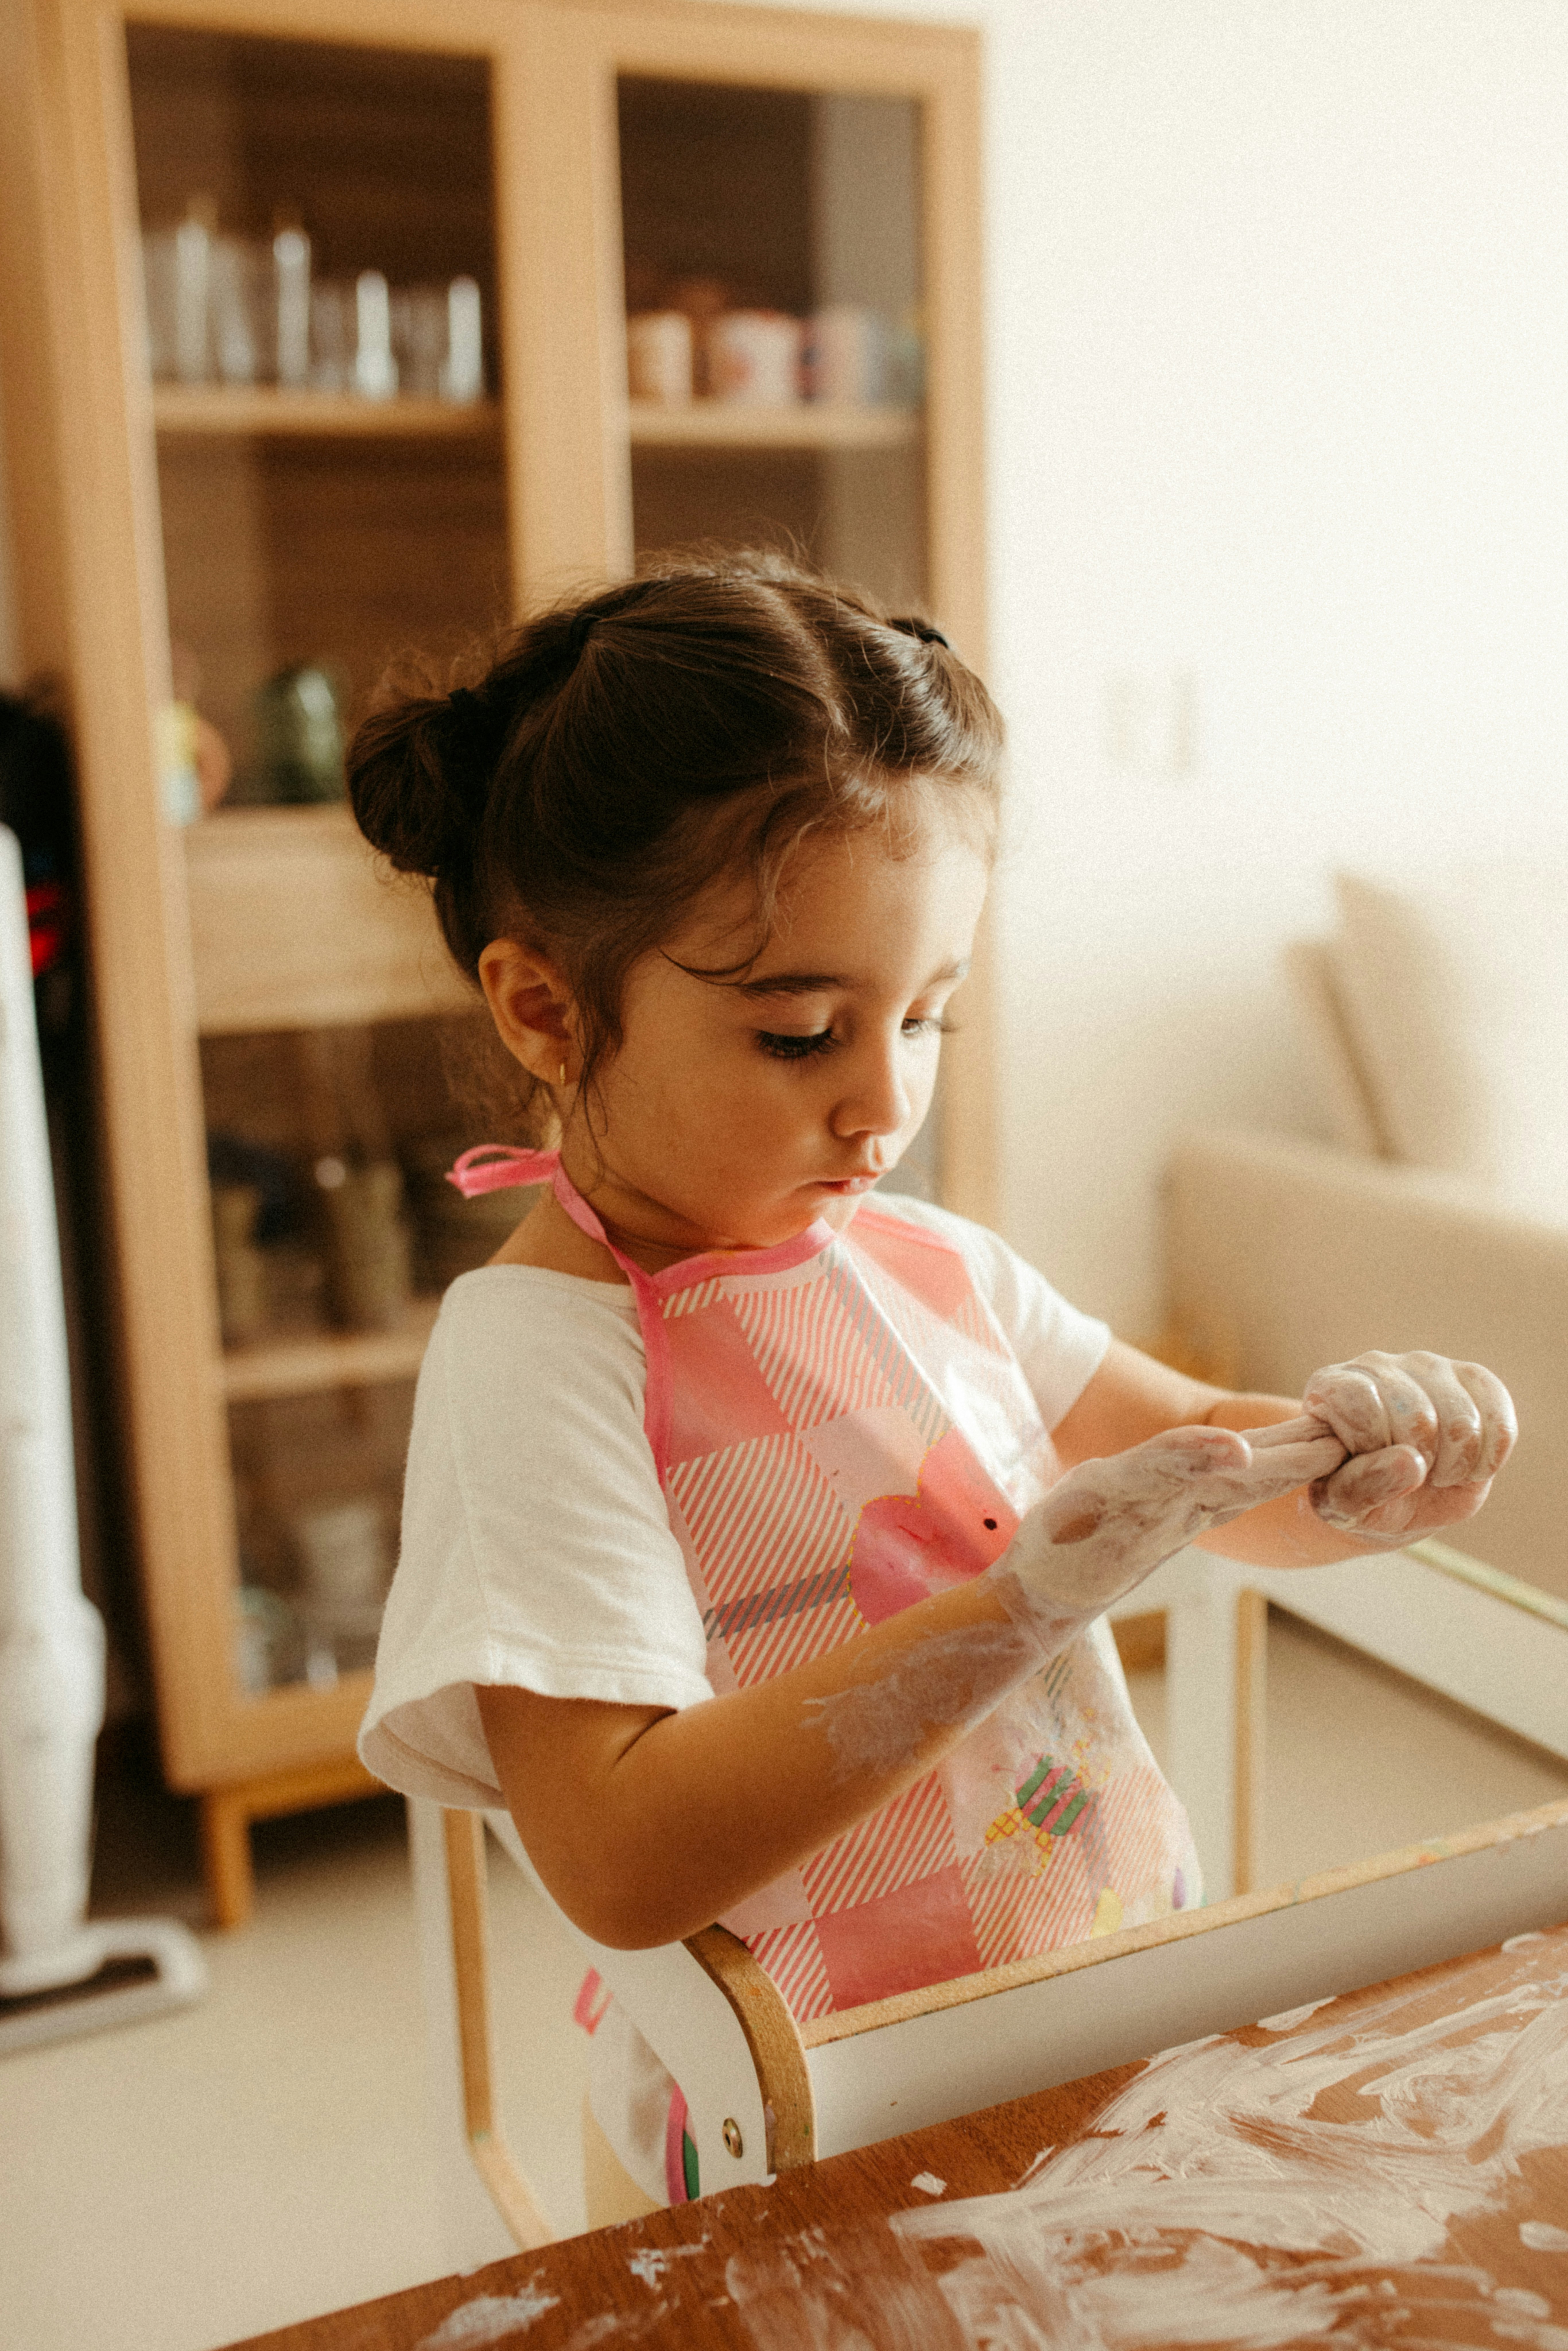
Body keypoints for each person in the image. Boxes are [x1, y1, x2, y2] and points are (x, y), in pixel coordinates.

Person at [351, 553, 1515, 2222]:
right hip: (794, 2124)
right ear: (545, 1009)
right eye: (799, 1033)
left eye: (927, 1019)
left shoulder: (929, 1263)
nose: (883, 1106)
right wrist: (1015, 1603)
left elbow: (1205, 1470)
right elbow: (617, 1860)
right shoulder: (540, 1359)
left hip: (1095, 2008)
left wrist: (1359, 1461)